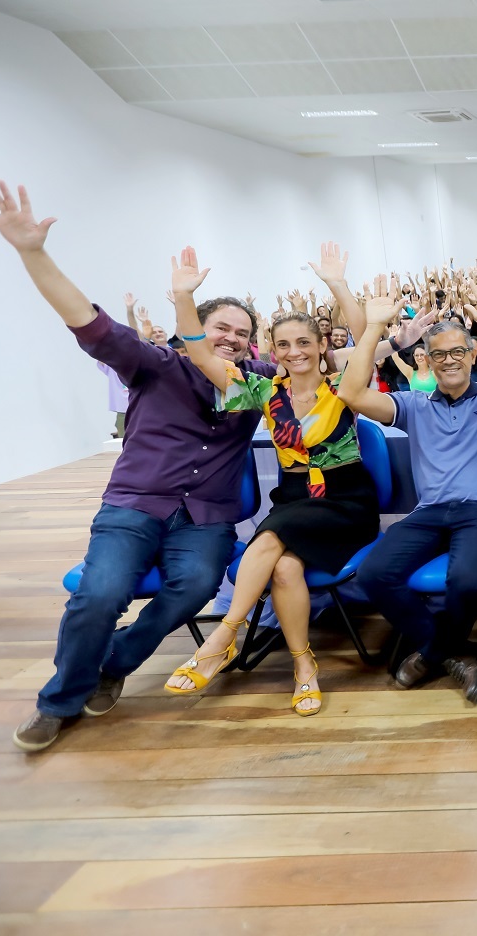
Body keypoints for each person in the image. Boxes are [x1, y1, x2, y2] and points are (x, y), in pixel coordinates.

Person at [0, 182, 261, 752]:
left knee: (197, 585)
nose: (233, 339)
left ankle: (115, 664)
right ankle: (58, 702)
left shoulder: (254, 387)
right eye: (222, 329)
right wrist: (32, 252)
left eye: (243, 334)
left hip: (205, 517)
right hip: (136, 504)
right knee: (101, 594)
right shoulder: (153, 365)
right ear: (194, 333)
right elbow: (88, 321)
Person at [163, 243, 380, 717]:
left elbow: (365, 336)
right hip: (296, 496)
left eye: (304, 342)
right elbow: (201, 356)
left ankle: (225, 634)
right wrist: (183, 298)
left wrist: (337, 284)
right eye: (283, 345)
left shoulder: (343, 384)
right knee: (284, 567)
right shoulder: (264, 390)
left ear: (322, 345)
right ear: (272, 350)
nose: (295, 352)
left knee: (270, 536)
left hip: (346, 499)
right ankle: (304, 668)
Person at [342, 299, 477, 702]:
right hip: (431, 512)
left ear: (473, 354)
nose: (449, 361)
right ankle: (452, 651)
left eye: (458, 351)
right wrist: (374, 330)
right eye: (439, 354)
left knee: (466, 580)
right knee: (373, 573)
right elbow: (351, 392)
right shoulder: (412, 405)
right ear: (426, 359)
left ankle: (433, 653)